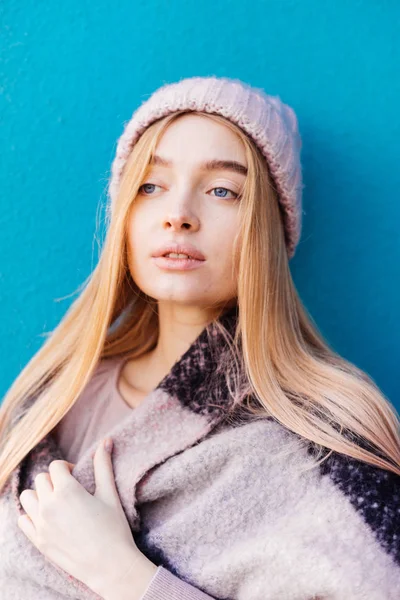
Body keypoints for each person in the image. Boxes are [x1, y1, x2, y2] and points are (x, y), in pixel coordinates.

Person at [0, 75, 399, 600]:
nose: (178, 216)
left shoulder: (325, 444)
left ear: (269, 230)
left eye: (222, 191)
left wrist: (124, 576)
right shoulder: (49, 402)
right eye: (150, 185)